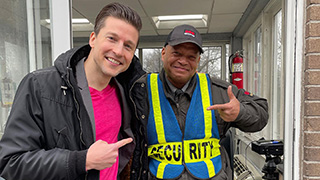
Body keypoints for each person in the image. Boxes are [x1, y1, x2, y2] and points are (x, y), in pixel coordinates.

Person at [0, 2, 143, 180]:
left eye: (128, 46)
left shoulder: (127, 92)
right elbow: (11, 162)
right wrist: (81, 161)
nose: (118, 51)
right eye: (112, 38)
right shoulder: (39, 85)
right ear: (93, 39)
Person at [128, 24, 268, 179]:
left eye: (191, 57)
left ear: (198, 60)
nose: (183, 61)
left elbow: (261, 112)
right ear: (163, 53)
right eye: (177, 53)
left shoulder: (218, 91)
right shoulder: (140, 90)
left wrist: (240, 113)